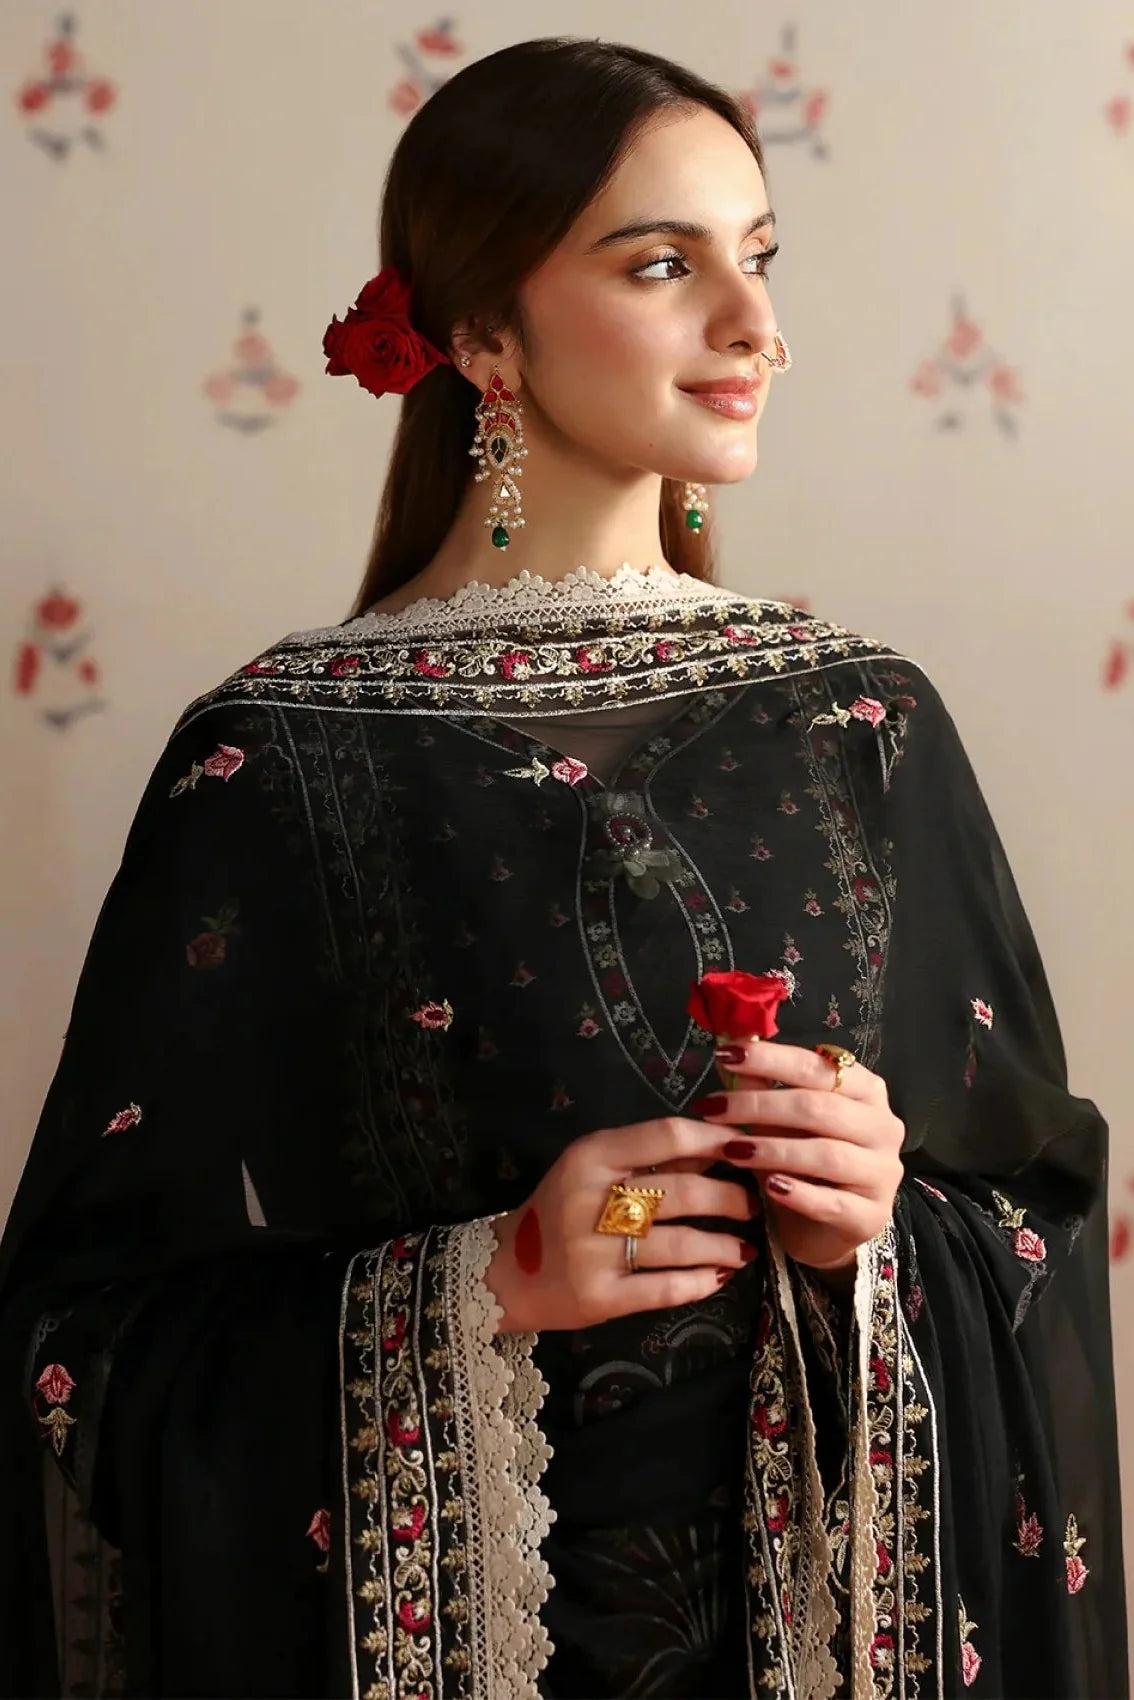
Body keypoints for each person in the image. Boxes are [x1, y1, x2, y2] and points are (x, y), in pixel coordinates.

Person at [0, 34, 1125, 1700]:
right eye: (662, 265)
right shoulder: (273, 756)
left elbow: (1027, 1209)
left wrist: (877, 1228)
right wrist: (482, 1289)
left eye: (756, 257)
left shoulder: (862, 721)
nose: (754, 327)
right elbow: (81, 1346)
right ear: (478, 337)